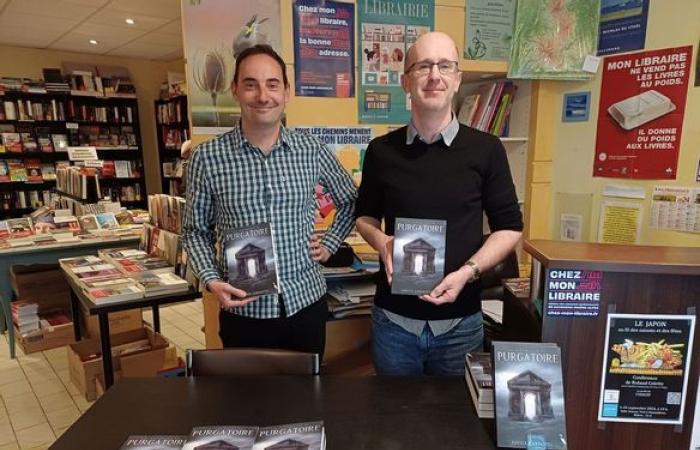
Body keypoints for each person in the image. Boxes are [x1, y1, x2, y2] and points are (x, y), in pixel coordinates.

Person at [355, 32, 523, 376]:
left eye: (445, 66)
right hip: (393, 323)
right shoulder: (381, 152)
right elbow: (364, 218)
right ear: (406, 81)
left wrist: (468, 272)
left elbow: (509, 227)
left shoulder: (487, 150)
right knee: (393, 421)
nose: (434, 75)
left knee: (456, 424)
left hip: (460, 324)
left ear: (457, 78)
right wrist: (382, 242)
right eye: (423, 66)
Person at [183, 45, 357, 358]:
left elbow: (351, 200)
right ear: (235, 90)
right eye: (251, 84)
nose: (263, 96)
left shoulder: (311, 149)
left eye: (272, 84)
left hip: (306, 306)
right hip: (244, 314)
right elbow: (195, 231)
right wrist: (210, 280)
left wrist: (331, 242)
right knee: (251, 405)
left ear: (286, 91)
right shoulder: (206, 158)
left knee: (306, 402)